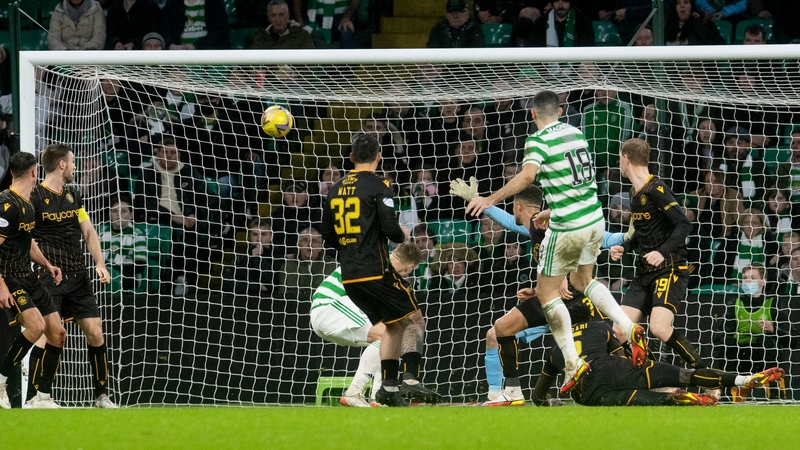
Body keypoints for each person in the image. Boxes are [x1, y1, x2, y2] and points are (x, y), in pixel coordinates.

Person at [465, 90, 647, 393]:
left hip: (567, 227)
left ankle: (572, 363)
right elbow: (575, 185)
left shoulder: (537, 140)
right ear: (561, 111)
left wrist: (490, 199)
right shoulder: (576, 132)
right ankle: (627, 326)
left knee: (547, 295)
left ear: (534, 114)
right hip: (594, 217)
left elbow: (526, 177)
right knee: (585, 280)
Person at [451, 178, 631, 405]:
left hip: (572, 301)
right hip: (551, 299)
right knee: (495, 334)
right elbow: (510, 222)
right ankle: (497, 395)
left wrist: (623, 239)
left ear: (518, 205)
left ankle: (627, 382)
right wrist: (481, 203)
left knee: (609, 343)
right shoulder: (534, 224)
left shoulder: (550, 222)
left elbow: (596, 237)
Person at [532, 297, 786, 406]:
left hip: (590, 392)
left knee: (647, 400)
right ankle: (742, 379)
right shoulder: (601, 328)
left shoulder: (557, 347)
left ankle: (676, 398)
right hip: (615, 367)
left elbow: (538, 393)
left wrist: (546, 403)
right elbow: (620, 356)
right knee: (686, 375)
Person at [319, 133, 416, 407]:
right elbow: (390, 228)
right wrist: (402, 233)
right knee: (413, 320)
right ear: (378, 157)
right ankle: (401, 381)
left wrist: (350, 247)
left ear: (350, 158)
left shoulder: (335, 188)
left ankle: (386, 389)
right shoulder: (380, 184)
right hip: (376, 271)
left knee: (392, 326)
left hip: (350, 276)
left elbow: (326, 233)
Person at [609, 139, 708, 377]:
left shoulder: (657, 189)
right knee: (619, 331)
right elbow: (643, 232)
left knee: (659, 328)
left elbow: (684, 224)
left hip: (670, 267)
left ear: (625, 159)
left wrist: (662, 252)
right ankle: (648, 377)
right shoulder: (634, 192)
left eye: (620, 159)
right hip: (644, 272)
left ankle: (705, 373)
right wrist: (625, 247)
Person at [27, 144, 116, 408]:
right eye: (73, 162)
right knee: (47, 335)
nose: (76, 167)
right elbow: (27, 237)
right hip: (48, 278)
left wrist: (99, 263)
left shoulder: (74, 196)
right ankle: (37, 397)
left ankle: (102, 396)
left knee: (95, 332)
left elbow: (88, 232)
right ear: (62, 164)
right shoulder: (34, 196)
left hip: (78, 277)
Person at [310, 242, 439, 406]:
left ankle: (379, 397)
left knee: (393, 340)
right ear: (409, 268)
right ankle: (355, 392)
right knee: (389, 334)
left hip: (333, 313)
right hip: (328, 307)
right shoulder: (380, 268)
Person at [0, 153, 66, 409]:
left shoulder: (27, 203)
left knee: (57, 333)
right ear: (34, 172)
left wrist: (48, 265)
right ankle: (2, 382)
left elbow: (27, 243)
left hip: (29, 276)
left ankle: (42, 397)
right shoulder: (7, 203)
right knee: (36, 327)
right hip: (11, 277)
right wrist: (2, 286)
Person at [713, 264, 792, 401]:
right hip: (739, 355)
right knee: (727, 342)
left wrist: (773, 329)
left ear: (763, 281)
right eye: (745, 278)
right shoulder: (734, 304)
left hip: (764, 355)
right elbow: (719, 335)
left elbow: (792, 339)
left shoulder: (774, 304)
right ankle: (726, 394)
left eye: (752, 278)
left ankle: (773, 394)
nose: (747, 281)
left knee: (766, 341)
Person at [97, 195, 148, 293]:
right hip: (104, 274)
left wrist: (114, 271)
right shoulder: (102, 235)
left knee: (111, 280)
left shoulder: (137, 235)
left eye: (123, 211)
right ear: (109, 214)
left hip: (130, 276)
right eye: (114, 211)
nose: (118, 215)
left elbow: (140, 266)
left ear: (131, 215)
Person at [159, 0, 230, 49]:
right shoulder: (172, 3)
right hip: (180, 56)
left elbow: (220, 32)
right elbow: (165, 31)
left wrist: (196, 46)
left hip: (209, 53)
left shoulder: (214, 2)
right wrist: (171, 45)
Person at [251, 0, 315, 49]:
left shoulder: (302, 35)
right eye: (273, 15)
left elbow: (312, 64)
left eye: (281, 15)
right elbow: (252, 65)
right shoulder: (260, 39)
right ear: (269, 18)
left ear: (288, 16)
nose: (278, 19)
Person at [531, 0, 595, 48]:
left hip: (576, 64)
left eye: (564, 1)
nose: (560, 6)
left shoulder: (583, 22)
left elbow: (588, 49)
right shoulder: (541, 23)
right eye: (557, 1)